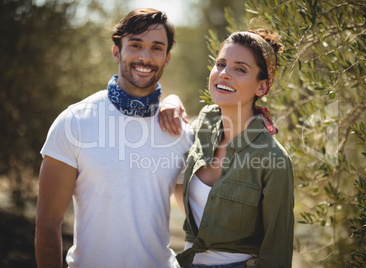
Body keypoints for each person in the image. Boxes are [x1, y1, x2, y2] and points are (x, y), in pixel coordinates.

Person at [35, 8, 193, 268]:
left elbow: (197, 220)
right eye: (135, 45)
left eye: (156, 48)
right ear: (116, 52)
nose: (145, 56)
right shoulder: (75, 121)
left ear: (167, 59)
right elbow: (48, 222)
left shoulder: (180, 131)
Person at [175, 29, 295, 267]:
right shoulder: (201, 129)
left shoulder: (272, 158)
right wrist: (170, 99)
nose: (224, 74)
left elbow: (277, 253)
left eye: (240, 69)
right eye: (221, 64)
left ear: (262, 87)